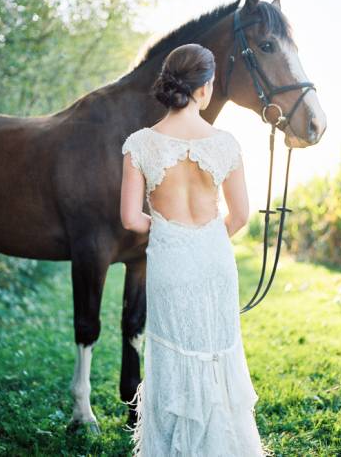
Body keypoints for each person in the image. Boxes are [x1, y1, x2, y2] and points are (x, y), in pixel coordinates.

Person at [120, 43, 266, 456]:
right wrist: (202, 238)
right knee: (218, 350)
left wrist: (169, 231)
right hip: (213, 261)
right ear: (204, 89)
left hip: (169, 262)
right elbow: (239, 216)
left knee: (171, 350)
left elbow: (131, 219)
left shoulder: (139, 145)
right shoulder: (224, 142)